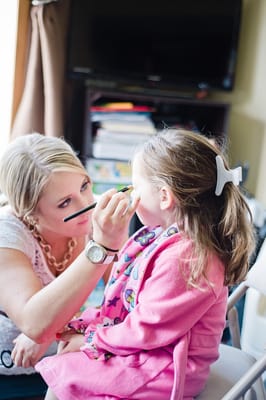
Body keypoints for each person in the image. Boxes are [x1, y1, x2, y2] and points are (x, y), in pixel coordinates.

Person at [35, 128, 256, 400]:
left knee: (67, 380)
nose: (131, 196)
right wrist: (89, 324)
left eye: (134, 188)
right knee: (65, 372)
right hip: (152, 348)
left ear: (164, 197)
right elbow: (129, 300)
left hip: (168, 368)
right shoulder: (161, 235)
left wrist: (92, 340)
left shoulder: (188, 258)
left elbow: (147, 328)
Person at [0, 133, 136, 391]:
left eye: (84, 185)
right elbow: (34, 322)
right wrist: (103, 247)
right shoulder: (7, 236)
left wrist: (56, 331)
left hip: (65, 360)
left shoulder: (88, 213)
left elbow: (128, 296)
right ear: (29, 213)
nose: (86, 204)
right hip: (10, 372)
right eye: (65, 203)